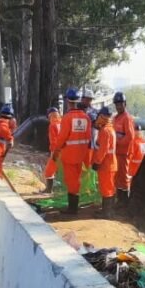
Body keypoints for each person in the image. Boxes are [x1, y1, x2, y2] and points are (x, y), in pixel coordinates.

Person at [51, 87, 91, 215]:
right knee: (76, 179)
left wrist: (56, 151)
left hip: (69, 155)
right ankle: (73, 206)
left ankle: (72, 209)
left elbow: (62, 137)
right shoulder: (86, 118)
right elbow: (88, 137)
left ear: (68, 101)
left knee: (71, 181)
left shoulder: (67, 118)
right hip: (81, 155)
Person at [92, 107, 117, 217]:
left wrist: (97, 162)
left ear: (103, 117)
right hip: (109, 164)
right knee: (108, 187)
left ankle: (107, 213)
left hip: (106, 165)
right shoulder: (109, 129)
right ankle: (106, 210)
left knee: (107, 188)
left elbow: (103, 150)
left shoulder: (105, 131)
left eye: (99, 116)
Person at [112, 91, 135, 209]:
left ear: (124, 104)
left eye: (120, 104)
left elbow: (130, 136)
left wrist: (118, 143)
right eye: (116, 104)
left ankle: (124, 202)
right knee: (117, 177)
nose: (118, 106)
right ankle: (119, 200)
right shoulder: (116, 118)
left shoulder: (127, 118)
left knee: (124, 176)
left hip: (124, 153)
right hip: (116, 152)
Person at [44, 107, 61, 193]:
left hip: (57, 152)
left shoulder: (52, 125)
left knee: (49, 171)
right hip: (66, 151)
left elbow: (53, 141)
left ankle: (48, 190)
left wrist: (53, 153)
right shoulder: (62, 123)